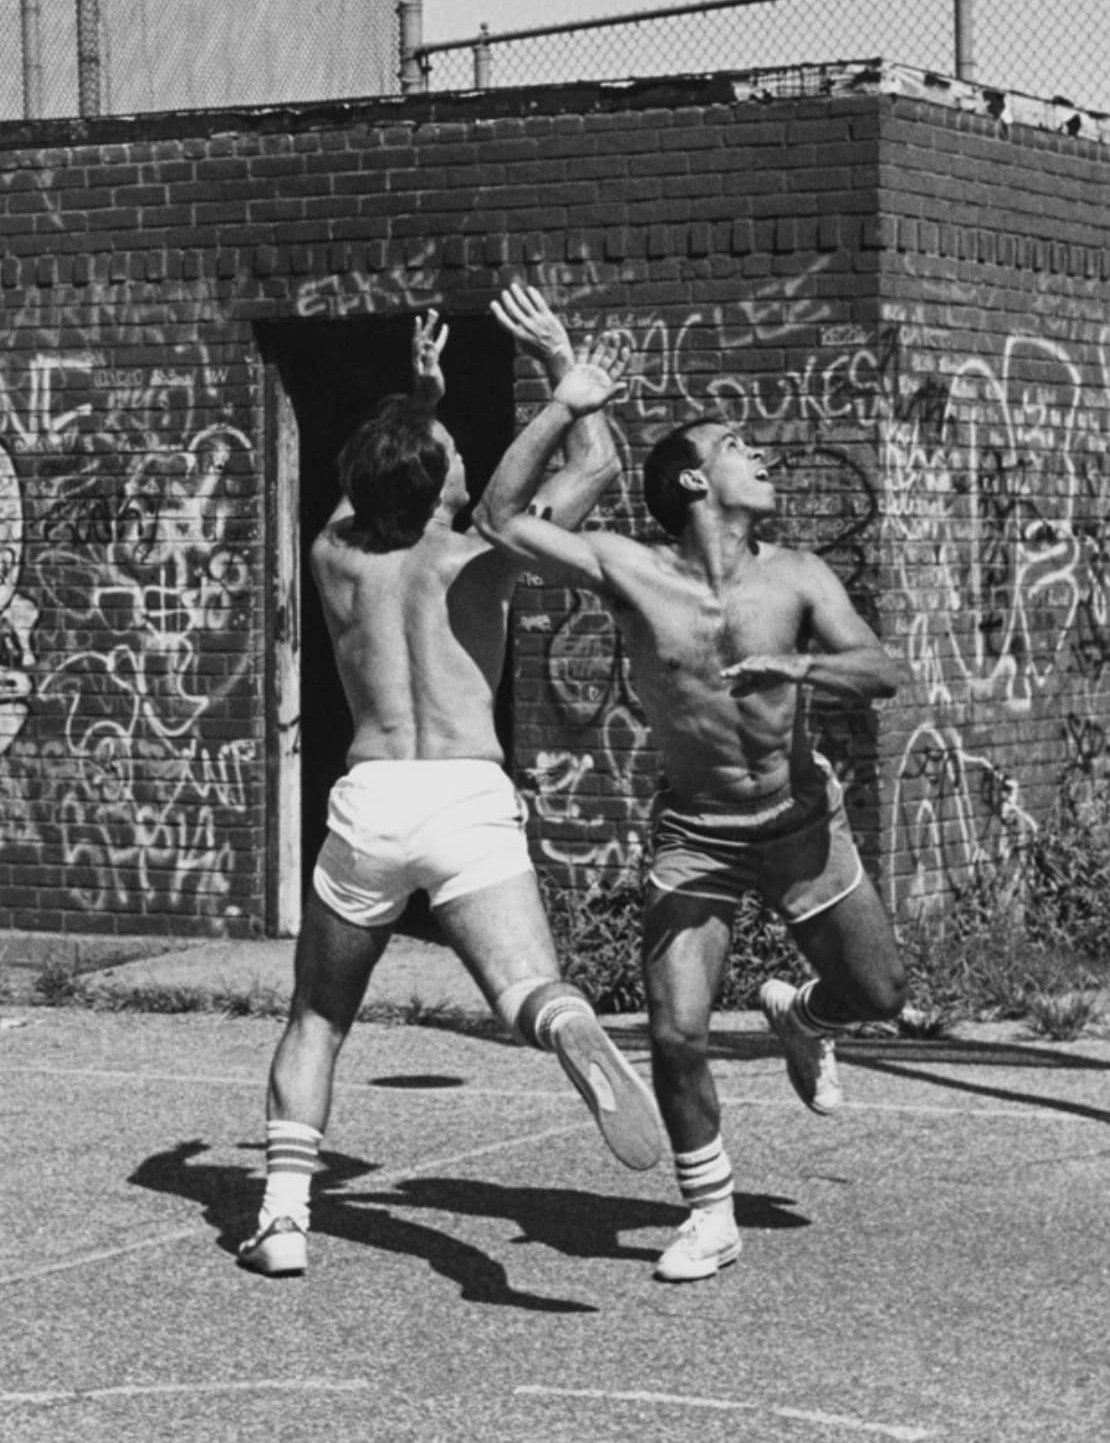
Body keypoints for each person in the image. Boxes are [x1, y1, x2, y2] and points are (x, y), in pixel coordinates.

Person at [237, 287, 661, 1279]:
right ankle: (565, 1029)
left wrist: (417, 393)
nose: (466, 453)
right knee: (531, 990)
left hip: (373, 800)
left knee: (317, 1019)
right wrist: (570, 376)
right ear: (438, 479)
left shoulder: (335, 554)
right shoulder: (484, 556)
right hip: (466, 797)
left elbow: (369, 477)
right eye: (454, 449)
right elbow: (594, 462)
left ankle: (284, 1222)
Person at [473, 372, 908, 1284]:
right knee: (675, 1031)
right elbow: (500, 516)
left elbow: (879, 669)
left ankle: (803, 1014)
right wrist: (567, 401)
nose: (763, 455)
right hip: (697, 832)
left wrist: (798, 668)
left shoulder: (796, 575)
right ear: (695, 483)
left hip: (798, 820)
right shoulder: (632, 569)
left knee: (878, 994)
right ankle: (710, 1213)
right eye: (739, 446)